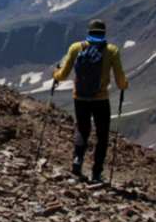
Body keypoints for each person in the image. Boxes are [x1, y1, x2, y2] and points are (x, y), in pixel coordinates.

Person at [52, 19, 129, 183]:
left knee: (82, 129)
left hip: (80, 97)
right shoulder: (111, 51)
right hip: (100, 99)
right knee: (102, 135)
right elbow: (120, 81)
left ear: (89, 31)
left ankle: (77, 160)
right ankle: (96, 173)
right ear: (104, 32)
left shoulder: (76, 48)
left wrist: (55, 75)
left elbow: (63, 74)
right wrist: (125, 84)